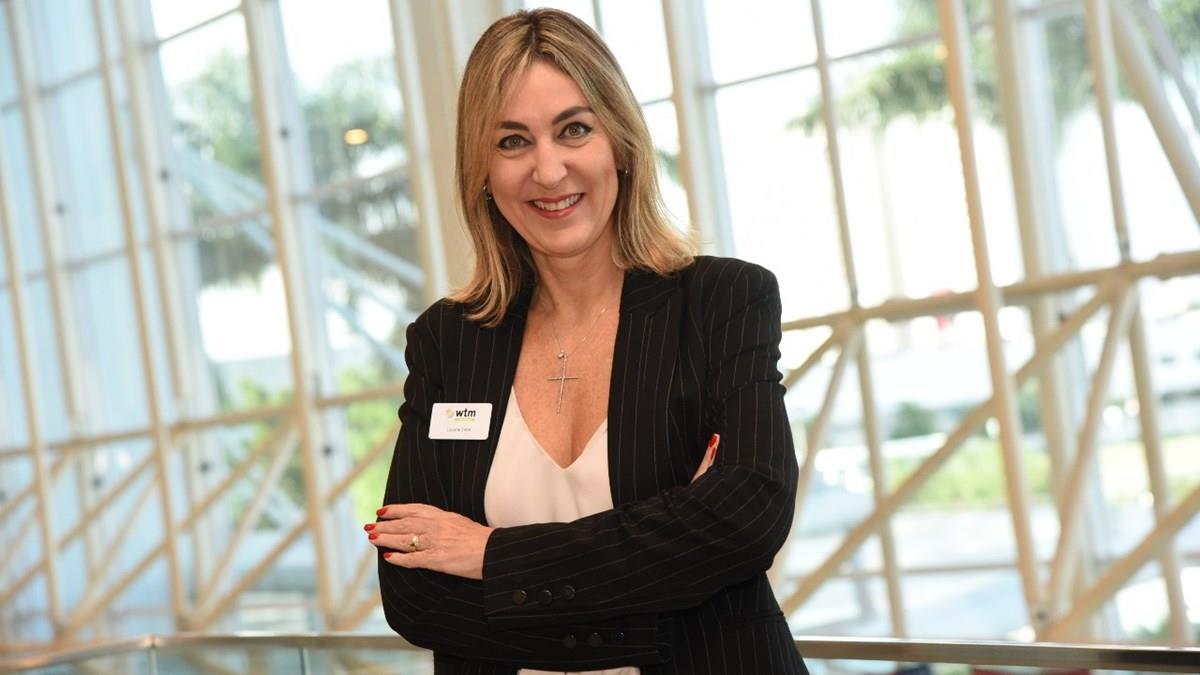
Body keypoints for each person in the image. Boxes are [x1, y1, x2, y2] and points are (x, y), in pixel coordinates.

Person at [370, 8, 806, 674]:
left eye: (574, 129)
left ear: (621, 144)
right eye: (512, 141)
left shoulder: (720, 302)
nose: (548, 171)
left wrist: (490, 555)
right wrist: (662, 577)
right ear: (481, 169)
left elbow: (747, 516)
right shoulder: (448, 342)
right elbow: (416, 594)